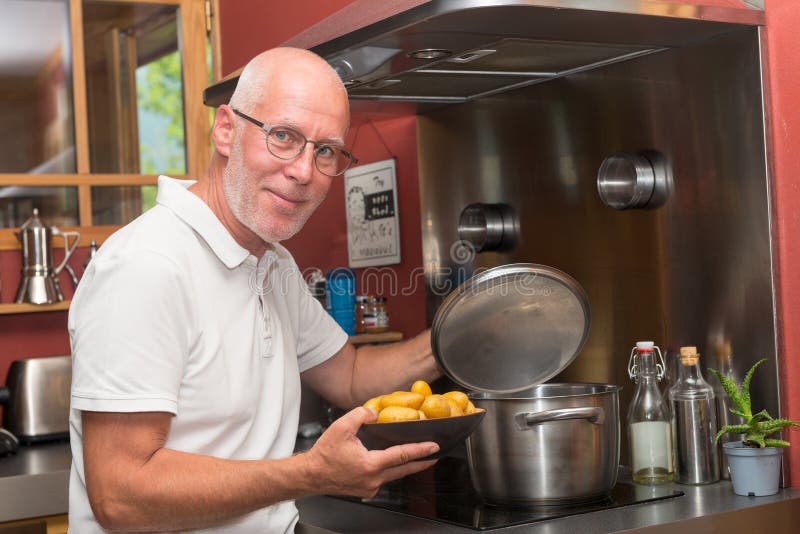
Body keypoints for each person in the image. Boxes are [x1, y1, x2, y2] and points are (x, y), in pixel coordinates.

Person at [68, 47, 442, 533]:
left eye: (325, 150)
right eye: (283, 136)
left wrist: (458, 336)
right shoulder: (148, 265)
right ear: (226, 129)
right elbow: (120, 495)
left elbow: (350, 376)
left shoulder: (272, 261)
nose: (304, 171)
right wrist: (311, 473)